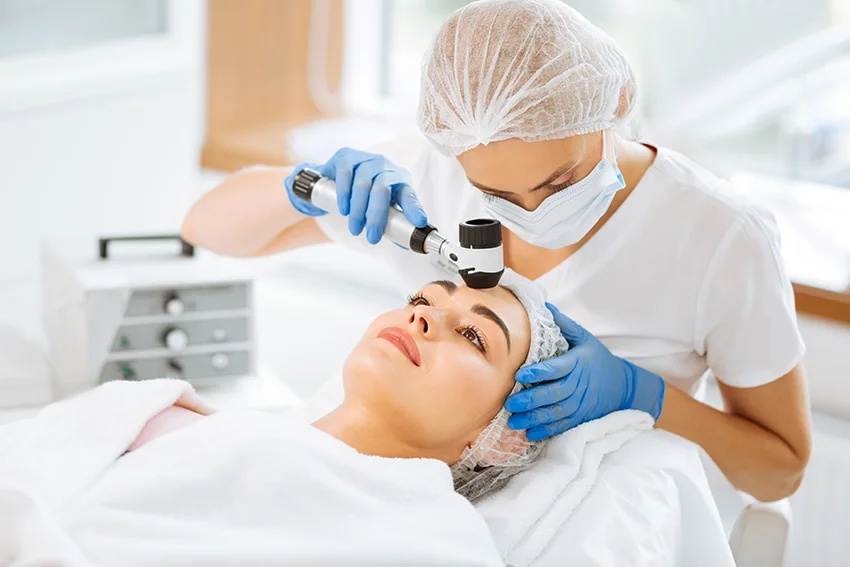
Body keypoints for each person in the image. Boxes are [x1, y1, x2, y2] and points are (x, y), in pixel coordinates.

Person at [182, 0, 811, 502]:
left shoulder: (720, 237)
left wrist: (643, 394)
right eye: (493, 192)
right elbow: (208, 229)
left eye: (559, 180)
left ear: (615, 102)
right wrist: (310, 187)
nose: (532, 213)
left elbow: (779, 472)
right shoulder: (431, 178)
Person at [0, 276, 567, 566]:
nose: (422, 315)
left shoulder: (439, 541)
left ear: (504, 439)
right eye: (422, 296)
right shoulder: (166, 416)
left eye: (474, 336)